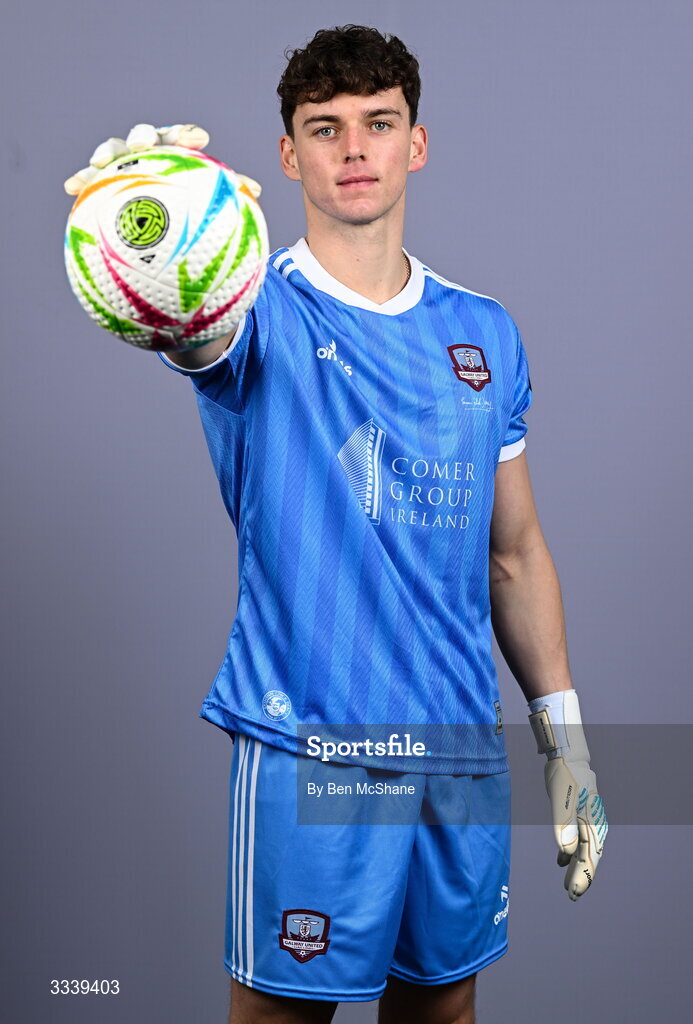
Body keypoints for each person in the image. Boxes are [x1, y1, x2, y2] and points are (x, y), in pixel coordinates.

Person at [70, 24, 608, 1024]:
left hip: (457, 745)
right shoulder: (252, 308)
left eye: (378, 122)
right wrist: (144, 220)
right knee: (282, 1017)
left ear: (417, 142)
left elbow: (514, 550)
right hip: (313, 748)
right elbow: (184, 324)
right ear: (288, 155)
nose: (353, 148)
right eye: (325, 128)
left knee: (443, 1011)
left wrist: (564, 740)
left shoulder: (483, 330)